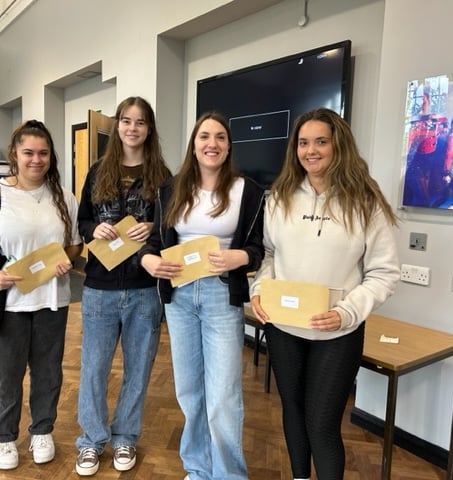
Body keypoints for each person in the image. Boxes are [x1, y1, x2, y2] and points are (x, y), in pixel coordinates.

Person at [249, 108, 400, 480]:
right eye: (303, 142)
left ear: (339, 146)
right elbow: (269, 254)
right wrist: (259, 290)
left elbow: (384, 273)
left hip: (337, 332)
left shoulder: (365, 201)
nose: (310, 150)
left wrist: (347, 312)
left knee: (321, 423)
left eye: (321, 141)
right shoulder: (279, 197)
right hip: (284, 327)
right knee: (293, 411)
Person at [140, 112, 265, 480]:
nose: (212, 144)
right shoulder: (171, 189)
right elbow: (152, 242)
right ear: (194, 145)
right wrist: (149, 260)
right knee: (190, 390)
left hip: (221, 294)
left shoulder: (248, 191)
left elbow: (259, 248)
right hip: (179, 298)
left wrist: (237, 257)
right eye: (205, 136)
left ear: (229, 147)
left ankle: (228, 475)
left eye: (220, 137)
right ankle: (196, 469)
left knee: (224, 395)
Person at [0, 120, 83, 470]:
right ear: (14, 155)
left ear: (51, 156)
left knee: (48, 371)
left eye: (43, 153)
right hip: (8, 302)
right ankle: (4, 437)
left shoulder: (64, 195)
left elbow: (74, 244)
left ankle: (42, 430)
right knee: (6, 374)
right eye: (28, 152)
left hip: (52, 299)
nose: (36, 159)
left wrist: (66, 259)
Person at [75, 96, 172, 476]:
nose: (133, 128)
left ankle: (125, 437)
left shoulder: (163, 176)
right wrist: (91, 229)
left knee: (138, 370)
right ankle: (91, 441)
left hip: (145, 289)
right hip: (99, 286)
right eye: (126, 121)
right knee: (94, 368)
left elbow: (172, 229)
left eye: (141, 122)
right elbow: (83, 218)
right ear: (117, 126)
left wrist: (154, 228)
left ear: (149, 129)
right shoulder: (98, 171)